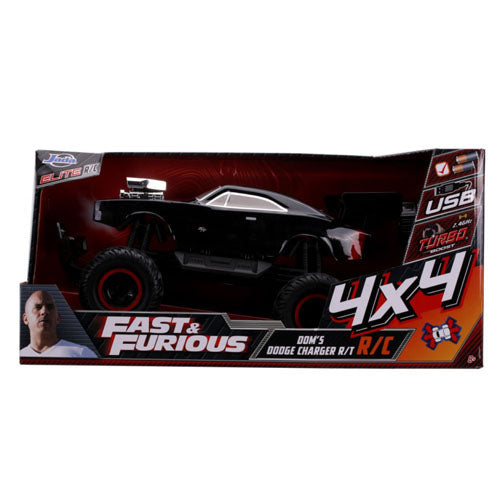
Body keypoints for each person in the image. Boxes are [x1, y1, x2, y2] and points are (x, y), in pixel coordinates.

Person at [20, 290, 97, 358]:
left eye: (50, 307)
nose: (44, 311)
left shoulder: (82, 354)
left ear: (58, 318)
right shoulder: (19, 357)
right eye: (38, 307)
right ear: (25, 319)